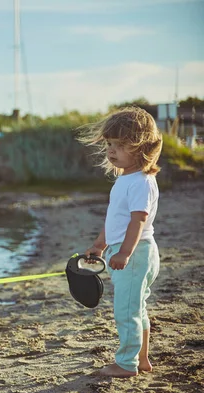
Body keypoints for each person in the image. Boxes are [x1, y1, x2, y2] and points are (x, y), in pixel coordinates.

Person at [79, 107, 163, 378]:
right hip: (130, 252)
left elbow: (138, 221)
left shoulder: (141, 181)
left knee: (126, 311)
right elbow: (115, 220)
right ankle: (142, 359)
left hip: (136, 253)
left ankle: (126, 365)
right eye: (109, 144)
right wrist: (100, 245)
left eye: (120, 145)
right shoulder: (125, 179)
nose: (111, 151)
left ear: (141, 148)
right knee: (136, 307)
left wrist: (125, 253)